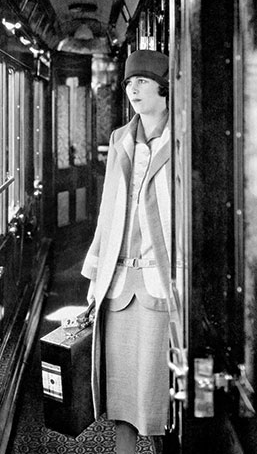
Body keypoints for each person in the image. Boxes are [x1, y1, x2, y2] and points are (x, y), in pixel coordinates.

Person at [81, 49, 176, 454]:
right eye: (128, 83)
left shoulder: (182, 138)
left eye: (142, 81)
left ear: (163, 87)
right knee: (119, 400)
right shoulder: (121, 139)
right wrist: (94, 276)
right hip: (118, 285)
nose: (133, 89)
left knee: (156, 401)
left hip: (159, 285)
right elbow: (106, 213)